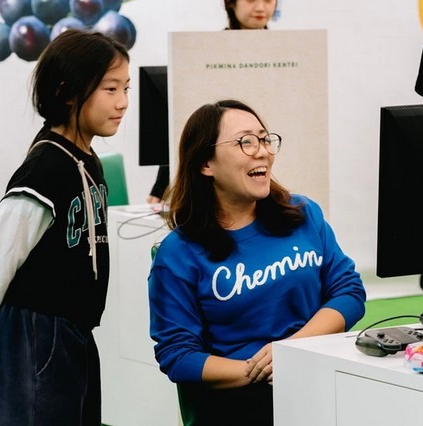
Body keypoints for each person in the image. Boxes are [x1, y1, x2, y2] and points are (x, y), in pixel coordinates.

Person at [148, 99, 366, 425]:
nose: (262, 151)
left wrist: (289, 352)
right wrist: (260, 370)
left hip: (317, 382)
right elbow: (178, 356)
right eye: (245, 142)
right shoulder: (178, 253)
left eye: (265, 139)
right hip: (240, 403)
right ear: (206, 163)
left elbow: (349, 292)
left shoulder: (304, 214)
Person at [0, 29, 130, 425]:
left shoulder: (87, 159)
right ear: (67, 92)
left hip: (73, 330)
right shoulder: (46, 168)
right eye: (110, 89)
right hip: (37, 332)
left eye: (126, 88)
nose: (123, 102)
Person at [146, 0, 278, 204]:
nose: (261, 7)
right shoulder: (207, 53)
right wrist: (160, 185)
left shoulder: (289, 51)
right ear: (231, 3)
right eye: (251, 0)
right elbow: (186, 124)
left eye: (268, 0)